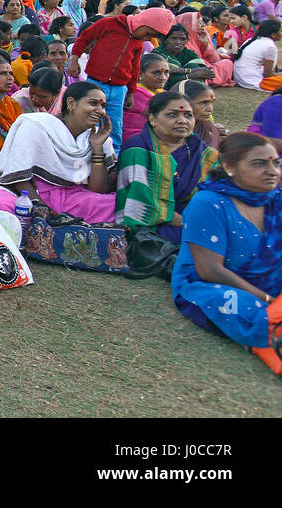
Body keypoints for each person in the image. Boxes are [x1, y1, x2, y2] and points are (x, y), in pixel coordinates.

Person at [171, 133, 282, 371]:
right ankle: (271, 335)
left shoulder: (276, 199)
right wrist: (265, 298)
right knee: (245, 308)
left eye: (276, 162)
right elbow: (210, 270)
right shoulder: (209, 202)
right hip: (214, 284)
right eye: (259, 164)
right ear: (230, 167)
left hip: (272, 282)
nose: (272, 171)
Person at [0, 82, 117, 223]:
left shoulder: (98, 137)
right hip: (28, 195)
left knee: (117, 205)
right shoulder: (37, 125)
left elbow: (98, 191)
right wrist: (44, 210)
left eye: (103, 106)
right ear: (71, 103)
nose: (100, 111)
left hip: (74, 198)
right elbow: (18, 178)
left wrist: (97, 147)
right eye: (93, 103)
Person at [116, 91, 218, 279]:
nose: (182, 120)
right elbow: (141, 202)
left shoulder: (203, 152)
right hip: (153, 225)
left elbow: (217, 193)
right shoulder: (138, 148)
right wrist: (189, 223)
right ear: (152, 118)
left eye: (188, 115)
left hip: (193, 219)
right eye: (172, 115)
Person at [69, 6, 175, 151]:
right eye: (148, 34)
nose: (147, 39)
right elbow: (84, 38)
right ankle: (86, 151)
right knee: (91, 121)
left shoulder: (138, 42)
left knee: (115, 125)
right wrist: (74, 59)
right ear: (143, 23)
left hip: (119, 89)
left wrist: (130, 92)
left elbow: (135, 68)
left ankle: (114, 155)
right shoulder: (108, 24)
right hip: (95, 84)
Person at [173, 12, 235, 87]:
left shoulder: (200, 36)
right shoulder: (181, 42)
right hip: (193, 69)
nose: (203, 25)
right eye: (199, 23)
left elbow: (214, 59)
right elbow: (195, 62)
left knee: (227, 63)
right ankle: (208, 81)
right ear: (189, 25)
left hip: (206, 67)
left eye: (202, 22)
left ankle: (210, 80)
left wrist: (206, 44)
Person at [120, 54, 171, 142]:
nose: (163, 77)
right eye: (156, 73)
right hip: (136, 141)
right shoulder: (135, 93)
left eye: (166, 72)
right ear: (140, 74)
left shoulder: (162, 93)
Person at [174, 80, 224, 151]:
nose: (210, 109)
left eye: (211, 102)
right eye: (204, 102)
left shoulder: (208, 128)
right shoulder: (166, 134)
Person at [233, 20, 282, 91]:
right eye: (280, 31)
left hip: (239, 78)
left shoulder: (252, 40)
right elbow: (268, 74)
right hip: (254, 81)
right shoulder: (270, 46)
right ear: (273, 35)